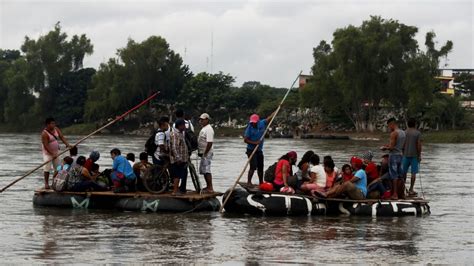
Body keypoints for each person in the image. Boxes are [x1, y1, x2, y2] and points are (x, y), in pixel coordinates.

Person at [244, 111, 276, 186]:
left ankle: (261, 182)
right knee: (253, 166)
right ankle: (249, 181)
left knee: (260, 166)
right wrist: (255, 143)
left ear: (258, 121)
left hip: (259, 150)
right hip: (251, 150)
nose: (253, 124)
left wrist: (277, 109)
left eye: (254, 122)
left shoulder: (262, 123)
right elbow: (245, 140)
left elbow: (270, 117)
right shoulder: (249, 127)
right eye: (252, 122)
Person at [41, 117, 71, 189]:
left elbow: (62, 137)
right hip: (47, 153)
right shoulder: (44, 134)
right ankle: (46, 183)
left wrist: (67, 144)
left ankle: (55, 182)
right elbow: (46, 145)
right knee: (47, 168)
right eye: (52, 123)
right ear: (47, 124)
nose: (54, 125)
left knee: (58, 168)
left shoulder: (56, 129)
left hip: (56, 152)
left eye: (54, 123)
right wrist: (52, 154)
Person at [381, 117, 406, 200]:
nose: (389, 128)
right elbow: (402, 146)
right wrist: (389, 146)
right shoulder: (403, 132)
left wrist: (384, 148)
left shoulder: (393, 133)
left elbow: (391, 148)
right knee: (401, 176)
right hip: (401, 155)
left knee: (394, 176)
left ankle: (395, 194)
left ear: (392, 124)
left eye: (388, 126)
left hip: (394, 156)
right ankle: (401, 194)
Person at [402, 118, 422, 197]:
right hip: (414, 156)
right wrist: (419, 155)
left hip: (405, 155)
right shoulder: (417, 133)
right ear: (415, 124)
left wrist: (402, 152)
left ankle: (403, 188)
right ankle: (411, 189)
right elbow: (418, 145)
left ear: (408, 124)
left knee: (403, 172)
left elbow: (402, 144)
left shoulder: (404, 132)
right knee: (413, 173)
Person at [170, 119, 189, 195]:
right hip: (178, 159)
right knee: (177, 176)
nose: (184, 126)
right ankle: (175, 191)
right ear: (180, 126)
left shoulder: (181, 133)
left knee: (180, 174)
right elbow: (174, 147)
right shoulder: (175, 134)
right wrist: (178, 158)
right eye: (183, 125)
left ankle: (178, 190)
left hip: (182, 159)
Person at [198, 113, 215, 193]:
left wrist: (205, 153)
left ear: (207, 120)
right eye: (200, 119)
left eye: (203, 120)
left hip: (207, 153)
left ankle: (210, 187)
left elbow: (210, 142)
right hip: (204, 152)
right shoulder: (204, 128)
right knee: (204, 170)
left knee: (207, 170)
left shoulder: (209, 129)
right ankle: (208, 186)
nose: (201, 121)